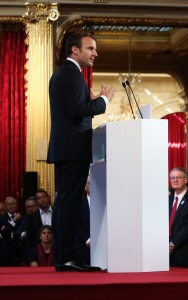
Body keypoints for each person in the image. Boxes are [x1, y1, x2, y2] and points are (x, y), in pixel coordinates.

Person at [47, 32, 116, 272]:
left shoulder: (63, 73)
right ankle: (66, 259)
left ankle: (62, 258)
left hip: (65, 147)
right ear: (75, 50)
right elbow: (78, 111)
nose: (95, 53)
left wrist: (91, 102)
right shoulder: (73, 74)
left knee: (64, 202)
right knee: (69, 203)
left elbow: (76, 108)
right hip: (73, 148)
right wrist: (104, 101)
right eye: (91, 48)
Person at [168, 167, 188, 268]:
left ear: (185, 180)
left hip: (184, 253)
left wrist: (172, 244)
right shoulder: (167, 200)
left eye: (178, 177)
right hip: (166, 255)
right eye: (172, 178)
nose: (175, 180)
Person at [0, 196, 22, 266]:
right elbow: (4, 233)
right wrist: (14, 220)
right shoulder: (1, 219)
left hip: (19, 251)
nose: (11, 206)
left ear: (16, 205)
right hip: (7, 252)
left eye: (12, 204)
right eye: (8, 204)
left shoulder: (22, 217)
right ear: (5, 206)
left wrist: (7, 227)